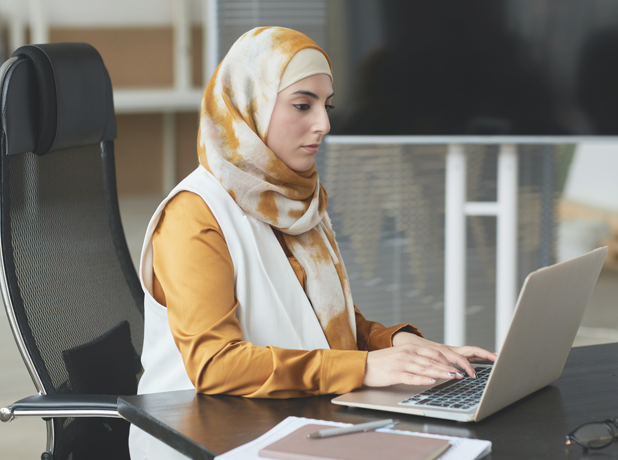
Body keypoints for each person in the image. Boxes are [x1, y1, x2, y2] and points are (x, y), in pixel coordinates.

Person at [129, 27, 496, 459]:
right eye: (302, 105)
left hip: (297, 419)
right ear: (250, 107)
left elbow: (321, 321)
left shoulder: (296, 201)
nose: (323, 124)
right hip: (209, 435)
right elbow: (214, 364)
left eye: (326, 105)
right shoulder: (194, 215)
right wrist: (364, 367)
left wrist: (397, 345)